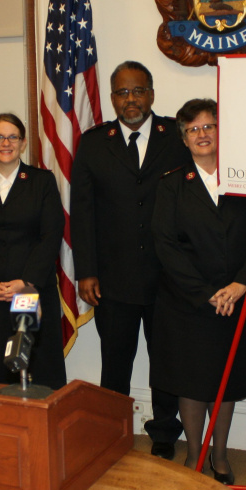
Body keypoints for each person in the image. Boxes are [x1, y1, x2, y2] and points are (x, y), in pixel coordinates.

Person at [151, 99, 246, 483]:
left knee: (227, 379)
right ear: (184, 139)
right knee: (191, 380)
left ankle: (219, 455)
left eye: (209, 126)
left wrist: (241, 284)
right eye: (193, 129)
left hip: (240, 298)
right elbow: (165, 245)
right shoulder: (171, 184)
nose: (202, 135)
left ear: (221, 132)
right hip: (188, 302)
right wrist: (206, 293)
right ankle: (194, 455)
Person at [70, 61, 188, 459]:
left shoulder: (177, 136)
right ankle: (111, 430)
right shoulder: (92, 143)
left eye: (138, 91)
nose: (131, 99)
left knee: (166, 361)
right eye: (122, 92)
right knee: (114, 361)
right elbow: (82, 212)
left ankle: (164, 434)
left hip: (167, 277)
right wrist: (85, 271)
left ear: (151, 94)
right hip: (112, 278)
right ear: (112, 99)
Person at [0, 114, 65, 389]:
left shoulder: (42, 181)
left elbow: (51, 235)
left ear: (22, 143)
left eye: (12, 137)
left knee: (38, 369)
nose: (5, 143)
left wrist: (25, 281)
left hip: (32, 290)